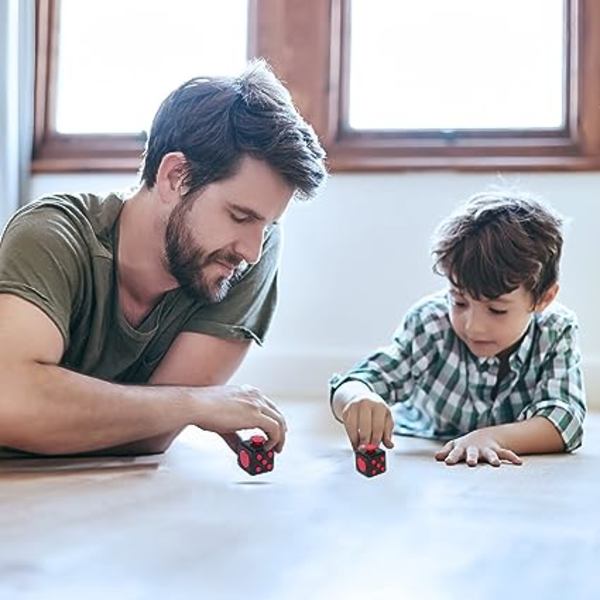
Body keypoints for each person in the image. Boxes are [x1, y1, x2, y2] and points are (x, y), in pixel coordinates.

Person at [0, 60, 326, 457]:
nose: (251, 251)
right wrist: (192, 403)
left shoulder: (244, 255)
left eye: (267, 224)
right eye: (240, 216)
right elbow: (10, 404)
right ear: (175, 176)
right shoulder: (51, 235)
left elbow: (149, 437)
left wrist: (157, 410)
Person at [329, 192, 586, 466]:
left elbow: (565, 422)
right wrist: (357, 397)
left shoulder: (556, 330)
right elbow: (357, 381)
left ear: (543, 298)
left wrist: (492, 438)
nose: (473, 325)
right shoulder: (430, 322)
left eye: (497, 310)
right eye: (459, 301)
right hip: (426, 434)